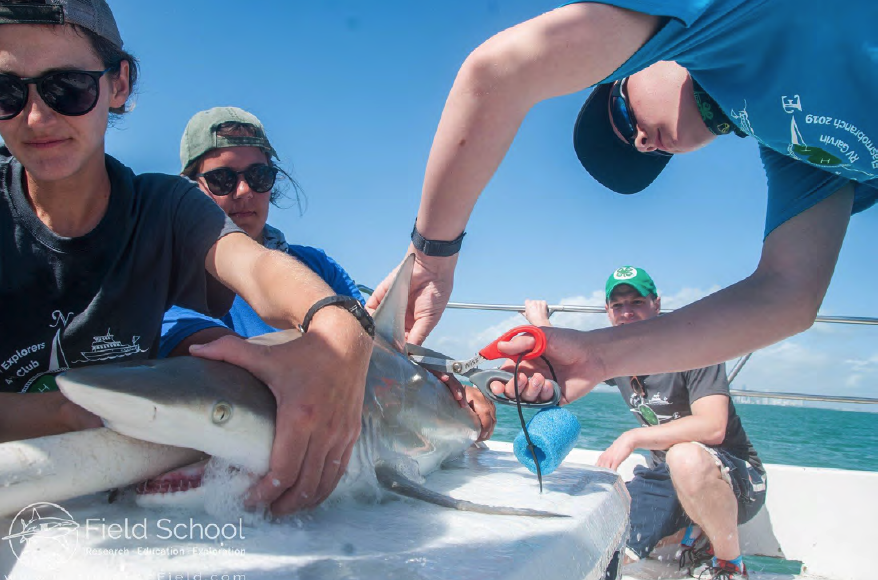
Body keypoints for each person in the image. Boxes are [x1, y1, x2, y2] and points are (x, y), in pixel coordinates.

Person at [365, 2, 876, 433]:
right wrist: (598, 355)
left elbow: (502, 69)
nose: (640, 142)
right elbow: (787, 297)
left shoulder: (717, 14)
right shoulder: (795, 152)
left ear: (639, 62)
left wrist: (430, 257)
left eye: (624, 115)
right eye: (643, 151)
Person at [0, 0, 374, 516]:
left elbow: (258, 269)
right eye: (7, 92)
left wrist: (342, 326)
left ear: (118, 85)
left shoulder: (165, 208)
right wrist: (65, 412)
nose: (37, 117)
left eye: (68, 87)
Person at [160, 106, 497, 441]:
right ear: (191, 191)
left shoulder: (317, 267)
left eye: (259, 177)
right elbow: (197, 366)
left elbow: (378, 352)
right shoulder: (171, 279)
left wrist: (436, 388)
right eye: (222, 179)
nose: (245, 191)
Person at [524, 267, 766, 580]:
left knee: (684, 457)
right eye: (618, 306)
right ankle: (694, 534)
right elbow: (573, 360)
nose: (627, 313)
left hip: (734, 481)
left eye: (636, 303)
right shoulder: (617, 360)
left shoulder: (695, 349)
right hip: (667, 484)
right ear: (608, 312)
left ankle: (730, 567)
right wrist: (542, 326)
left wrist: (634, 436)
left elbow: (713, 426)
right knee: (608, 535)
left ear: (657, 304)